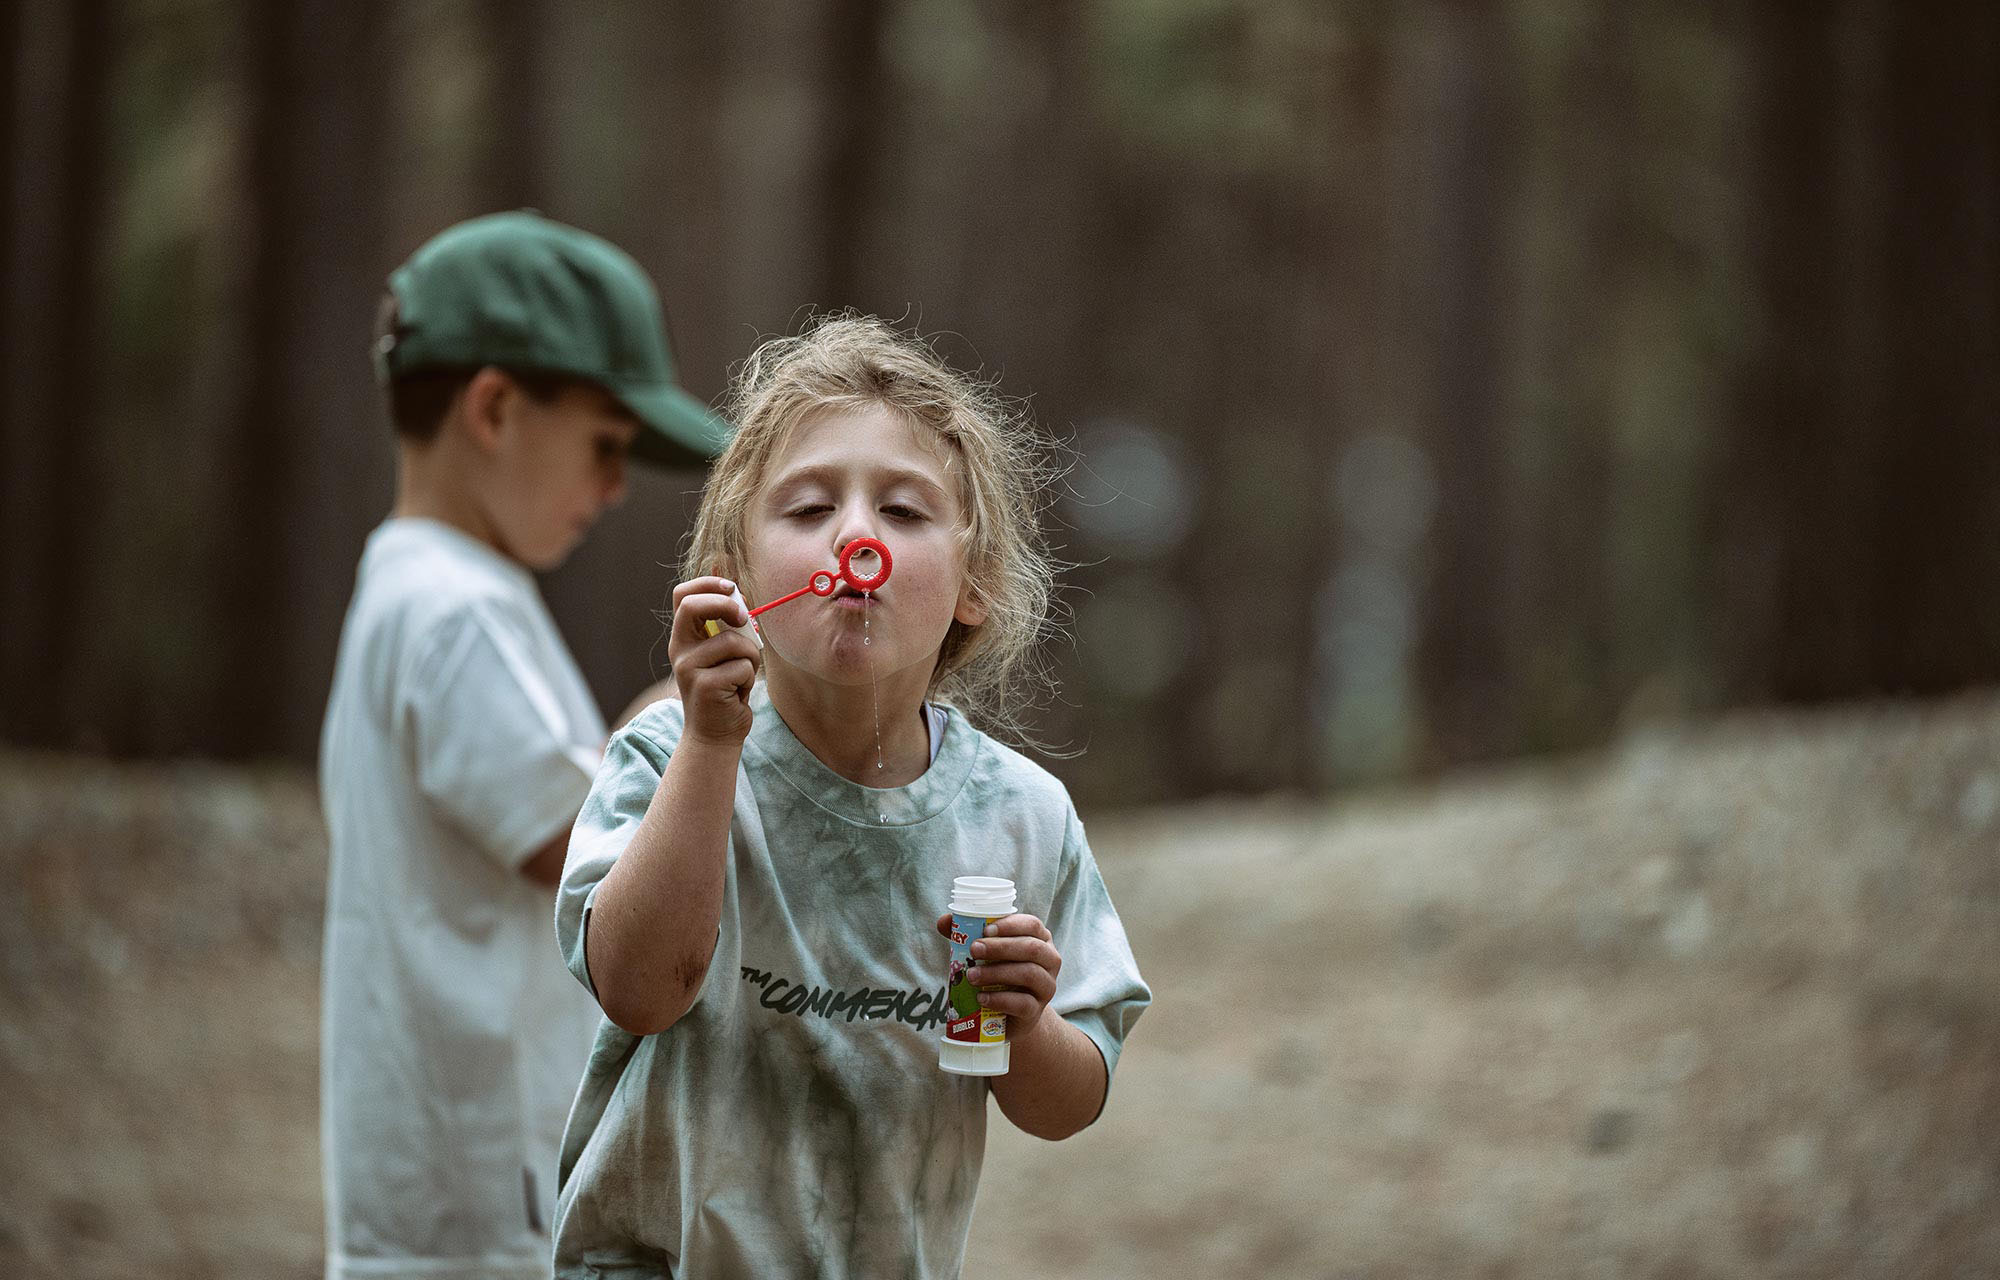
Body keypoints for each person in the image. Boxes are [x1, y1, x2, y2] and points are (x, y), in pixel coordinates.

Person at [552, 314, 1151, 1276]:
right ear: (736, 576)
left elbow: (1069, 1105)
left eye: (906, 513)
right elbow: (637, 989)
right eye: (807, 510)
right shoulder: (668, 756)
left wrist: (1026, 1025)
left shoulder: (1015, 820)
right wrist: (712, 741)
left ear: (975, 584)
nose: (857, 535)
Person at [318, 211, 730, 1280]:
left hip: (447, 1177)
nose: (613, 486)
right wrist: (709, 715)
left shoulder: (420, 588)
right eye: (605, 445)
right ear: (494, 407)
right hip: (482, 1185)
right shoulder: (458, 612)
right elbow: (585, 848)